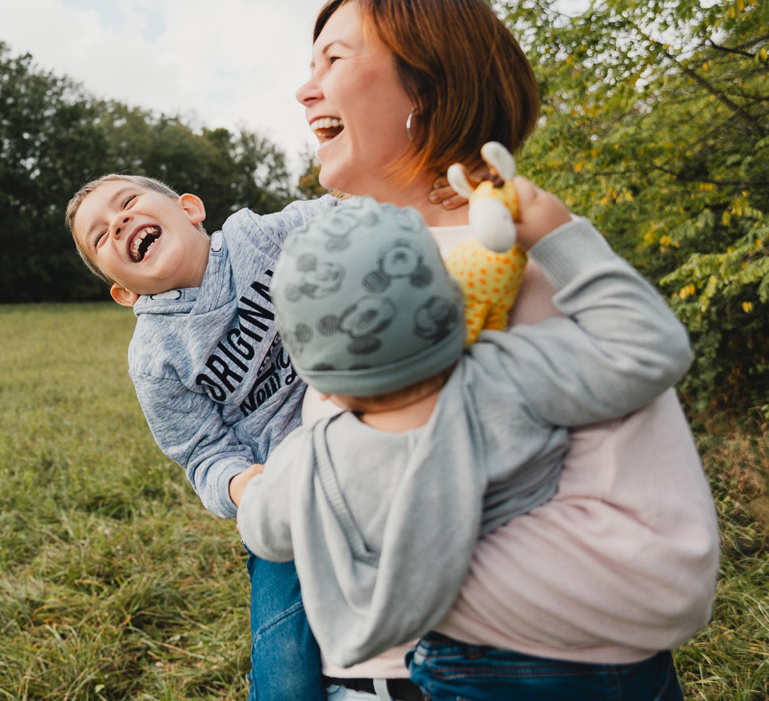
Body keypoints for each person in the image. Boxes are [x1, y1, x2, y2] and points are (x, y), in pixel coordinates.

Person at [292, 0, 719, 700]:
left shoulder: (481, 262)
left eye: (333, 60)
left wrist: (348, 563)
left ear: (424, 88)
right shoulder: (411, 253)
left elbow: (654, 567)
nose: (305, 90)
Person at [237, 187, 693, 683]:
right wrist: (560, 236)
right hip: (570, 650)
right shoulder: (507, 374)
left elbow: (263, 533)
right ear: (459, 306)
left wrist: (256, 484)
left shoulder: (311, 463)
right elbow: (651, 350)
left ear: (316, 378)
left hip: (435, 666)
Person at [65, 173, 338, 700]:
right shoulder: (155, 359)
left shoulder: (255, 238)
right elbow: (203, 453)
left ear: (190, 209)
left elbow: (344, 210)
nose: (118, 222)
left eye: (127, 203)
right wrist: (244, 487)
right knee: (286, 674)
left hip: (360, 423)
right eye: (100, 236)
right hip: (286, 494)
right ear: (121, 292)